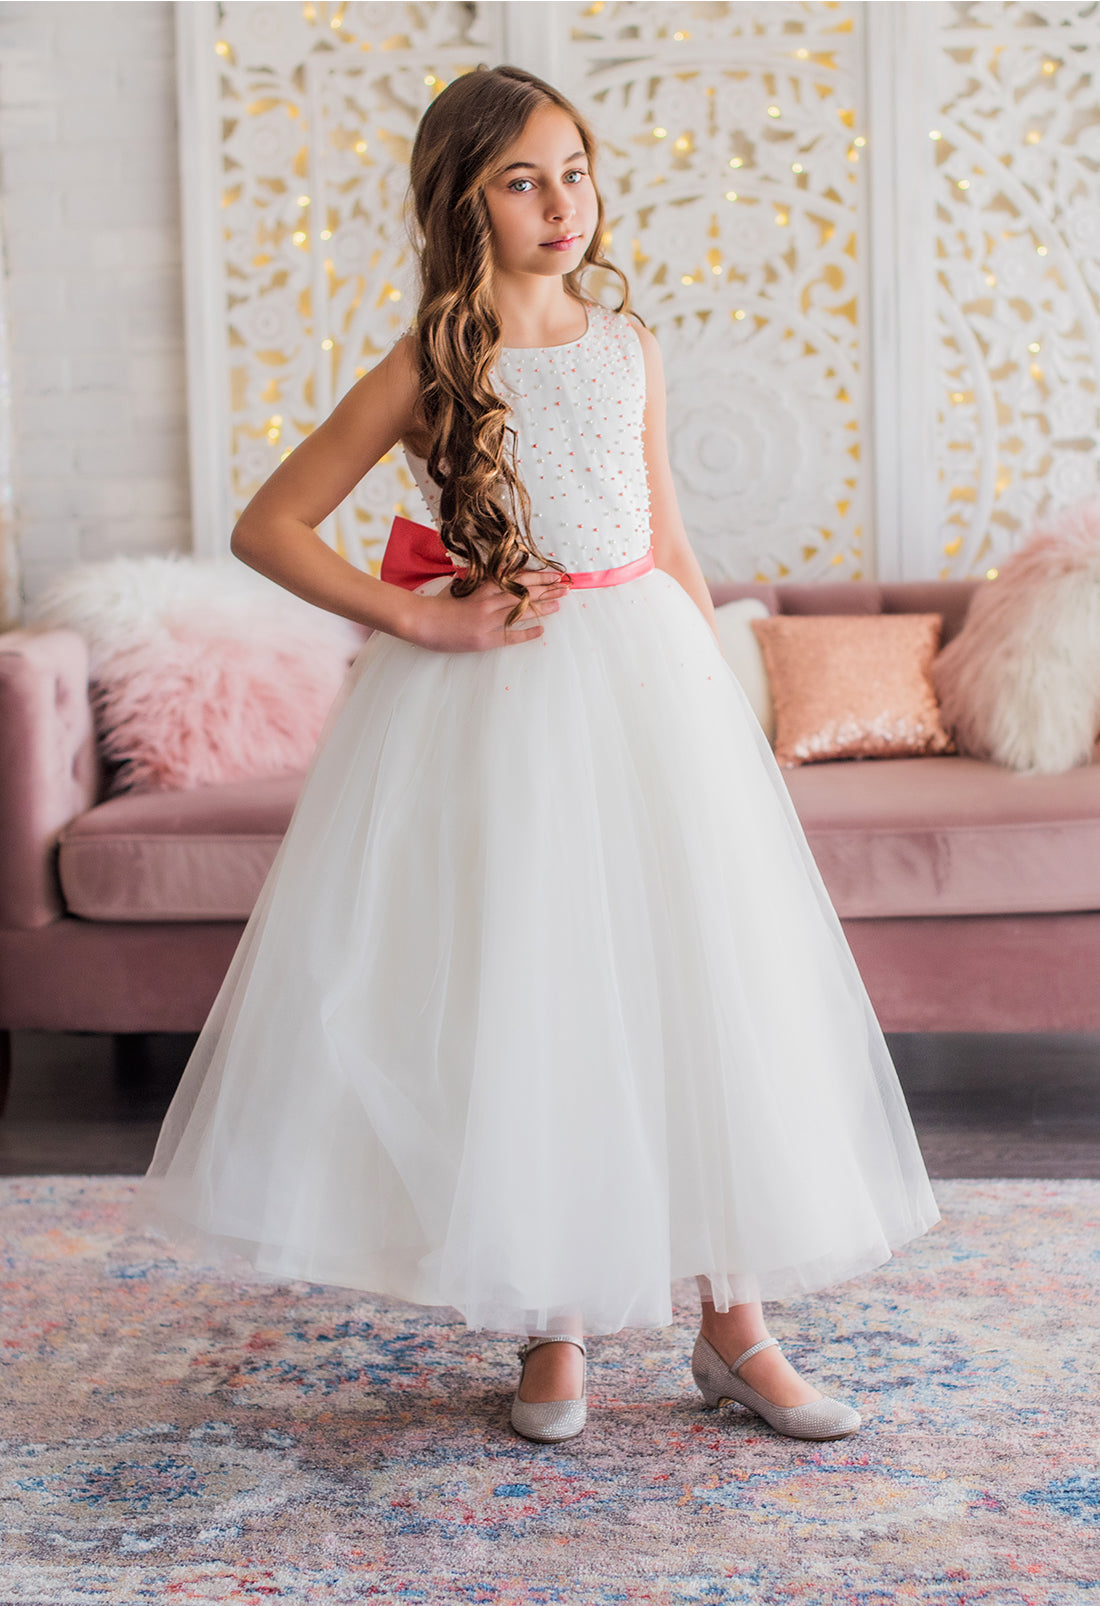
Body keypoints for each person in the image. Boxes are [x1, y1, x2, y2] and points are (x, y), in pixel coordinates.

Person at [144, 65, 940, 1446]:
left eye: (575, 169)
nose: (561, 203)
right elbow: (270, 523)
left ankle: (734, 1325)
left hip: (650, 693)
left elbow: (670, 539)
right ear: (466, 200)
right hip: (505, 711)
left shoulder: (629, 344)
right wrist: (417, 617)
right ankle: (554, 1319)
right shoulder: (432, 362)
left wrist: (722, 709)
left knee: (693, 985)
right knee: (544, 996)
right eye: (523, 179)